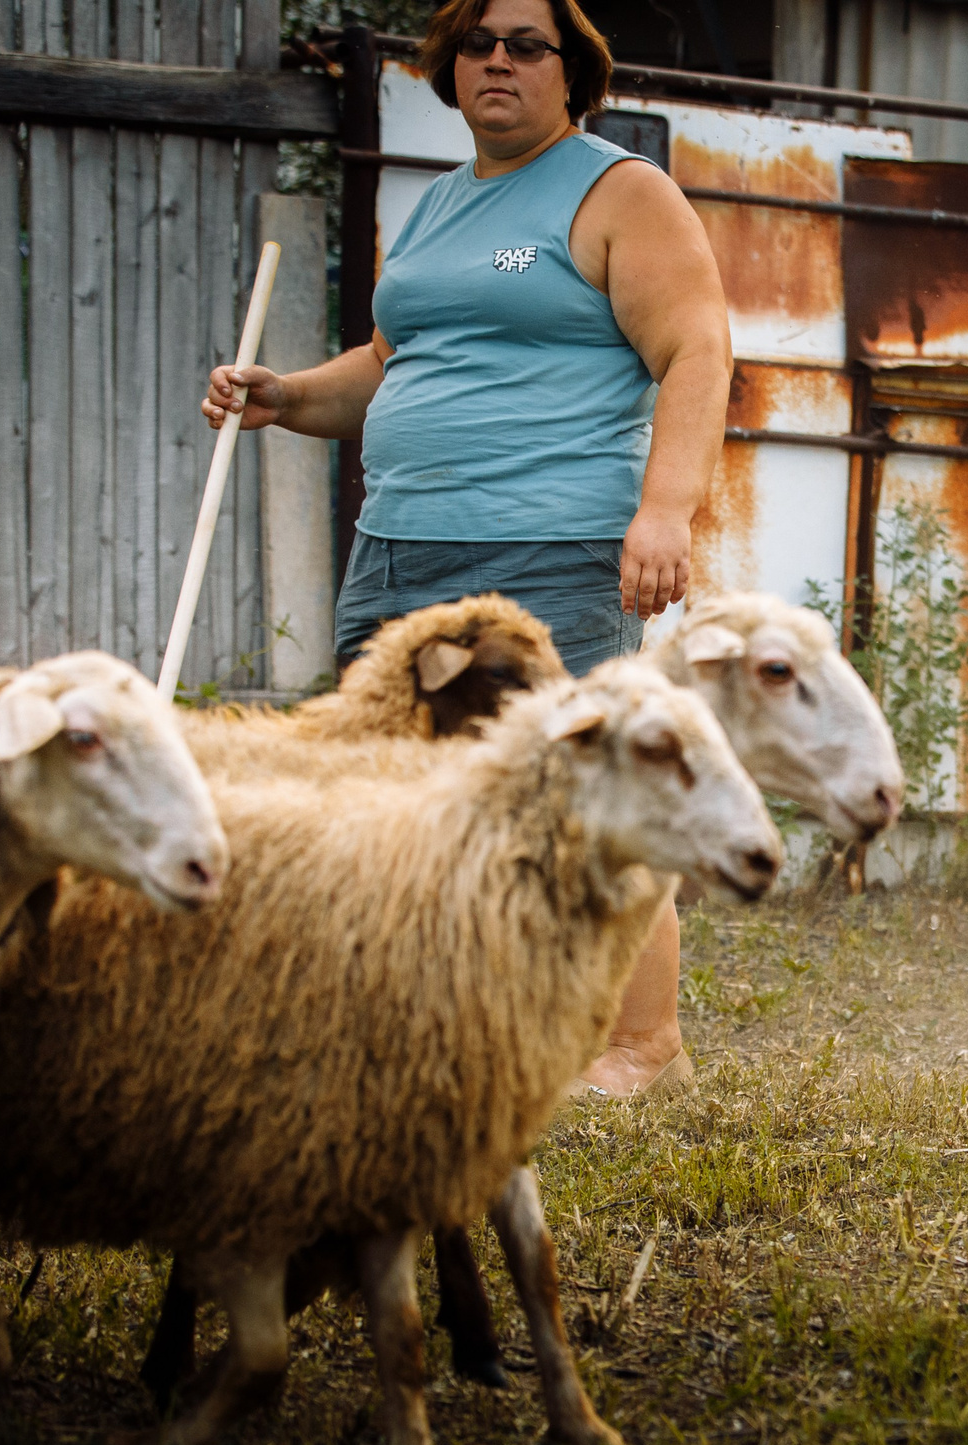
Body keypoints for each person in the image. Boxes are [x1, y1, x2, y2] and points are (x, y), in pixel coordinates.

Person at [203, 0, 729, 1095]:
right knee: (393, 797)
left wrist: (666, 509)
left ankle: (640, 1046)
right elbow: (397, 363)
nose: (498, 60)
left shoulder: (618, 191)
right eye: (479, 44)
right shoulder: (438, 204)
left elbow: (695, 347)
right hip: (397, 545)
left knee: (586, 791)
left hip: (549, 544)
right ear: (449, 68)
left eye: (526, 44)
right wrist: (287, 394)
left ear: (571, 69)